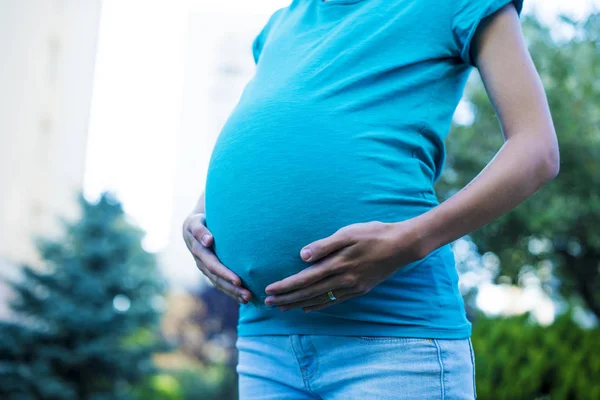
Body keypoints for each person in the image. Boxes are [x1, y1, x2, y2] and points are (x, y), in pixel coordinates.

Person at [182, 0, 559, 398]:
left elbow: (536, 150)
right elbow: (263, 134)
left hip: (392, 342)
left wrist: (410, 239)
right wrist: (201, 216)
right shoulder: (282, 23)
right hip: (265, 345)